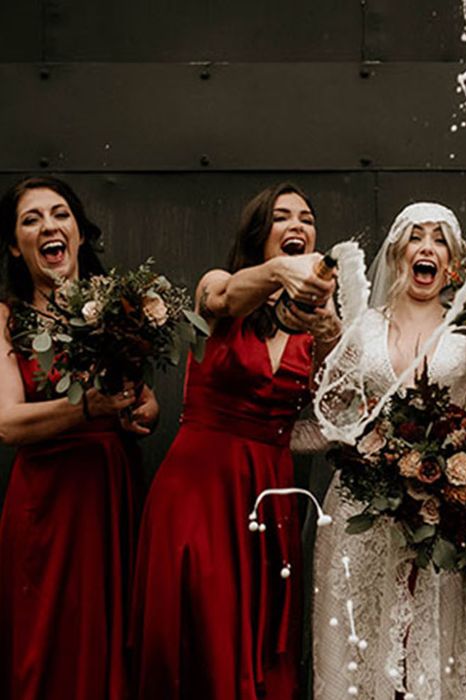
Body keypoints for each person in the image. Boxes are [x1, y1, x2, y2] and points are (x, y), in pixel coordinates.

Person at [129, 182, 338, 699]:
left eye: (307, 219)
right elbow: (220, 296)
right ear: (257, 235)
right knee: (200, 628)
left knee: (264, 640)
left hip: (272, 493)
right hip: (199, 489)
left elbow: (339, 409)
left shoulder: (317, 322)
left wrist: (332, 330)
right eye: (282, 217)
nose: (298, 226)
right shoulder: (219, 288)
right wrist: (279, 275)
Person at [311, 202, 466, 699]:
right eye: (416, 237)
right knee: (356, 633)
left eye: (438, 239)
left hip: (434, 512)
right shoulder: (362, 327)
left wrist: (461, 490)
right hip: (359, 507)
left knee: (428, 640)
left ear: (452, 262)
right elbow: (334, 407)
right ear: (398, 253)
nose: (426, 247)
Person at [0, 176, 158, 699]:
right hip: (45, 506)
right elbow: (7, 422)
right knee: (44, 649)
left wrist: (143, 407)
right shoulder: (6, 320)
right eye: (31, 219)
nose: (49, 225)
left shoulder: (117, 309)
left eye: (60, 214)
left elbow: (138, 398)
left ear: (79, 233)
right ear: (13, 246)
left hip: (110, 495)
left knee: (111, 642)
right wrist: (85, 408)